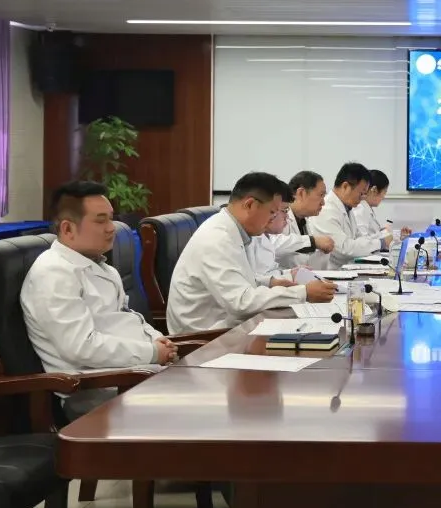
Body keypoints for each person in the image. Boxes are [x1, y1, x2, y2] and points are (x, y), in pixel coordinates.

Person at [20, 181, 175, 418]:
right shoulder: (53, 273)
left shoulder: (102, 266)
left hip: (137, 375)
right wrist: (151, 352)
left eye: (111, 219)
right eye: (101, 221)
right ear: (68, 229)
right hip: (99, 392)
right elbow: (81, 347)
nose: (112, 228)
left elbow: (128, 318)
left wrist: (157, 340)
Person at [167, 172, 337, 333]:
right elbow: (241, 302)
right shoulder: (217, 238)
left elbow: (241, 280)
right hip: (205, 336)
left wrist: (270, 282)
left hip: (228, 324)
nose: (272, 219)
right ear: (249, 205)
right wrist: (303, 292)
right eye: (272, 212)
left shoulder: (234, 230)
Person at [308, 162, 392, 269]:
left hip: (345, 269)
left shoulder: (347, 208)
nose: (363, 198)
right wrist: (381, 243)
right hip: (330, 271)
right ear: (345, 186)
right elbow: (344, 249)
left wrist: (377, 242)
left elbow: (360, 239)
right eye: (361, 193)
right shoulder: (326, 210)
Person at [279, 170, 334, 269]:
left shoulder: (304, 221)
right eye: (321, 195)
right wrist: (313, 242)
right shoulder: (279, 218)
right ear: (301, 193)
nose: (323, 203)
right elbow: (274, 244)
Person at [352, 169, 412, 240]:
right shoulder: (360, 210)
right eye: (384, 192)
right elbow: (363, 242)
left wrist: (398, 235)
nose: (383, 197)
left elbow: (374, 235)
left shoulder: (366, 209)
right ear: (374, 190)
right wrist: (388, 234)